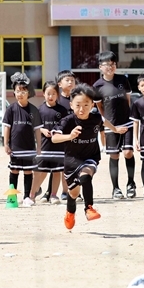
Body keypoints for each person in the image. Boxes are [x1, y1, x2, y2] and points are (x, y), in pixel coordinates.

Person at [52, 83, 127, 229]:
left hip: (90, 157)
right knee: (73, 194)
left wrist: (116, 129)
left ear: (92, 104)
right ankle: (70, 212)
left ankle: (89, 208)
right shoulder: (67, 121)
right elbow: (54, 138)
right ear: (71, 105)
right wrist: (69, 136)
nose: (82, 109)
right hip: (71, 161)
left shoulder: (95, 117)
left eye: (86, 105)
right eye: (78, 105)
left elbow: (104, 121)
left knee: (86, 176)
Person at [93, 51, 137, 200]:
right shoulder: (97, 86)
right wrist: (109, 124)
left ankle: (131, 184)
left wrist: (126, 117)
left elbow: (128, 100)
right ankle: (115, 188)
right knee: (114, 155)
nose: (110, 67)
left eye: (112, 64)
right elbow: (100, 108)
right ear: (100, 67)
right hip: (110, 125)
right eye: (106, 64)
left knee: (128, 153)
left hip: (127, 122)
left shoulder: (123, 80)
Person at [3, 72, 42, 206]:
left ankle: (26, 197)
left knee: (28, 171)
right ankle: (12, 197)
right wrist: (6, 144)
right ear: (14, 92)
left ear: (29, 92)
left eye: (23, 91)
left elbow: (37, 130)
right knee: (14, 170)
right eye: (17, 91)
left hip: (29, 147)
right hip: (15, 147)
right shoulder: (11, 109)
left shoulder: (34, 110)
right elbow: (7, 127)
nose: (20, 93)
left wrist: (39, 146)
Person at [28, 81, 68, 205]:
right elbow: (33, 127)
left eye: (53, 94)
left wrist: (58, 132)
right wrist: (43, 130)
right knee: (39, 171)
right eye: (48, 93)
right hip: (43, 147)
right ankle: (32, 195)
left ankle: (54, 195)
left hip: (58, 148)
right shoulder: (39, 110)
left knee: (57, 172)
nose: (50, 96)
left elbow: (65, 125)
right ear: (43, 94)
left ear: (58, 95)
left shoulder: (62, 110)